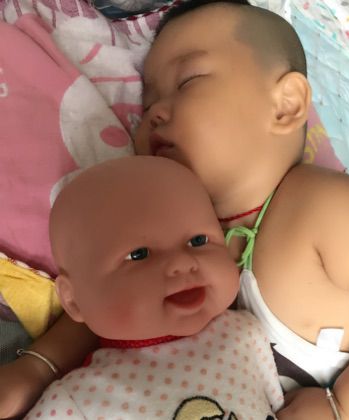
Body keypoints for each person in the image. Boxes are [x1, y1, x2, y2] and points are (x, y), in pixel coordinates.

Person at [134, 1, 349, 419]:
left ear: (285, 105)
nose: (154, 115)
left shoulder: (324, 208)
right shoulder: (174, 237)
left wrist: (342, 408)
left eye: (188, 81)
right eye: (145, 106)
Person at [25, 155, 284, 419]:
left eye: (198, 240)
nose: (183, 263)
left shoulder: (246, 335)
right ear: (73, 300)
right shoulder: (77, 398)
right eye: (139, 255)